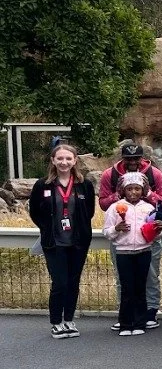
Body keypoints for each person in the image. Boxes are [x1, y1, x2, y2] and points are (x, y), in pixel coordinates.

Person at [99, 143, 162, 330]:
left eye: (136, 158)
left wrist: (147, 194)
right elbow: (103, 203)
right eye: (128, 159)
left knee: (150, 275)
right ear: (122, 158)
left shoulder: (154, 173)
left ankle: (150, 311)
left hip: (147, 235)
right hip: (122, 239)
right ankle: (126, 314)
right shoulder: (110, 175)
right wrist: (119, 195)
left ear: (142, 158)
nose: (132, 162)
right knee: (123, 278)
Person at [29, 143, 95, 339]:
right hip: (54, 242)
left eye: (68, 158)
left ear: (75, 160)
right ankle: (56, 322)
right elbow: (34, 211)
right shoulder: (43, 185)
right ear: (53, 160)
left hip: (78, 242)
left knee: (73, 283)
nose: (64, 162)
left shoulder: (84, 185)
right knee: (60, 283)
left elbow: (89, 211)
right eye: (60, 158)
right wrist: (47, 228)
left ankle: (69, 320)